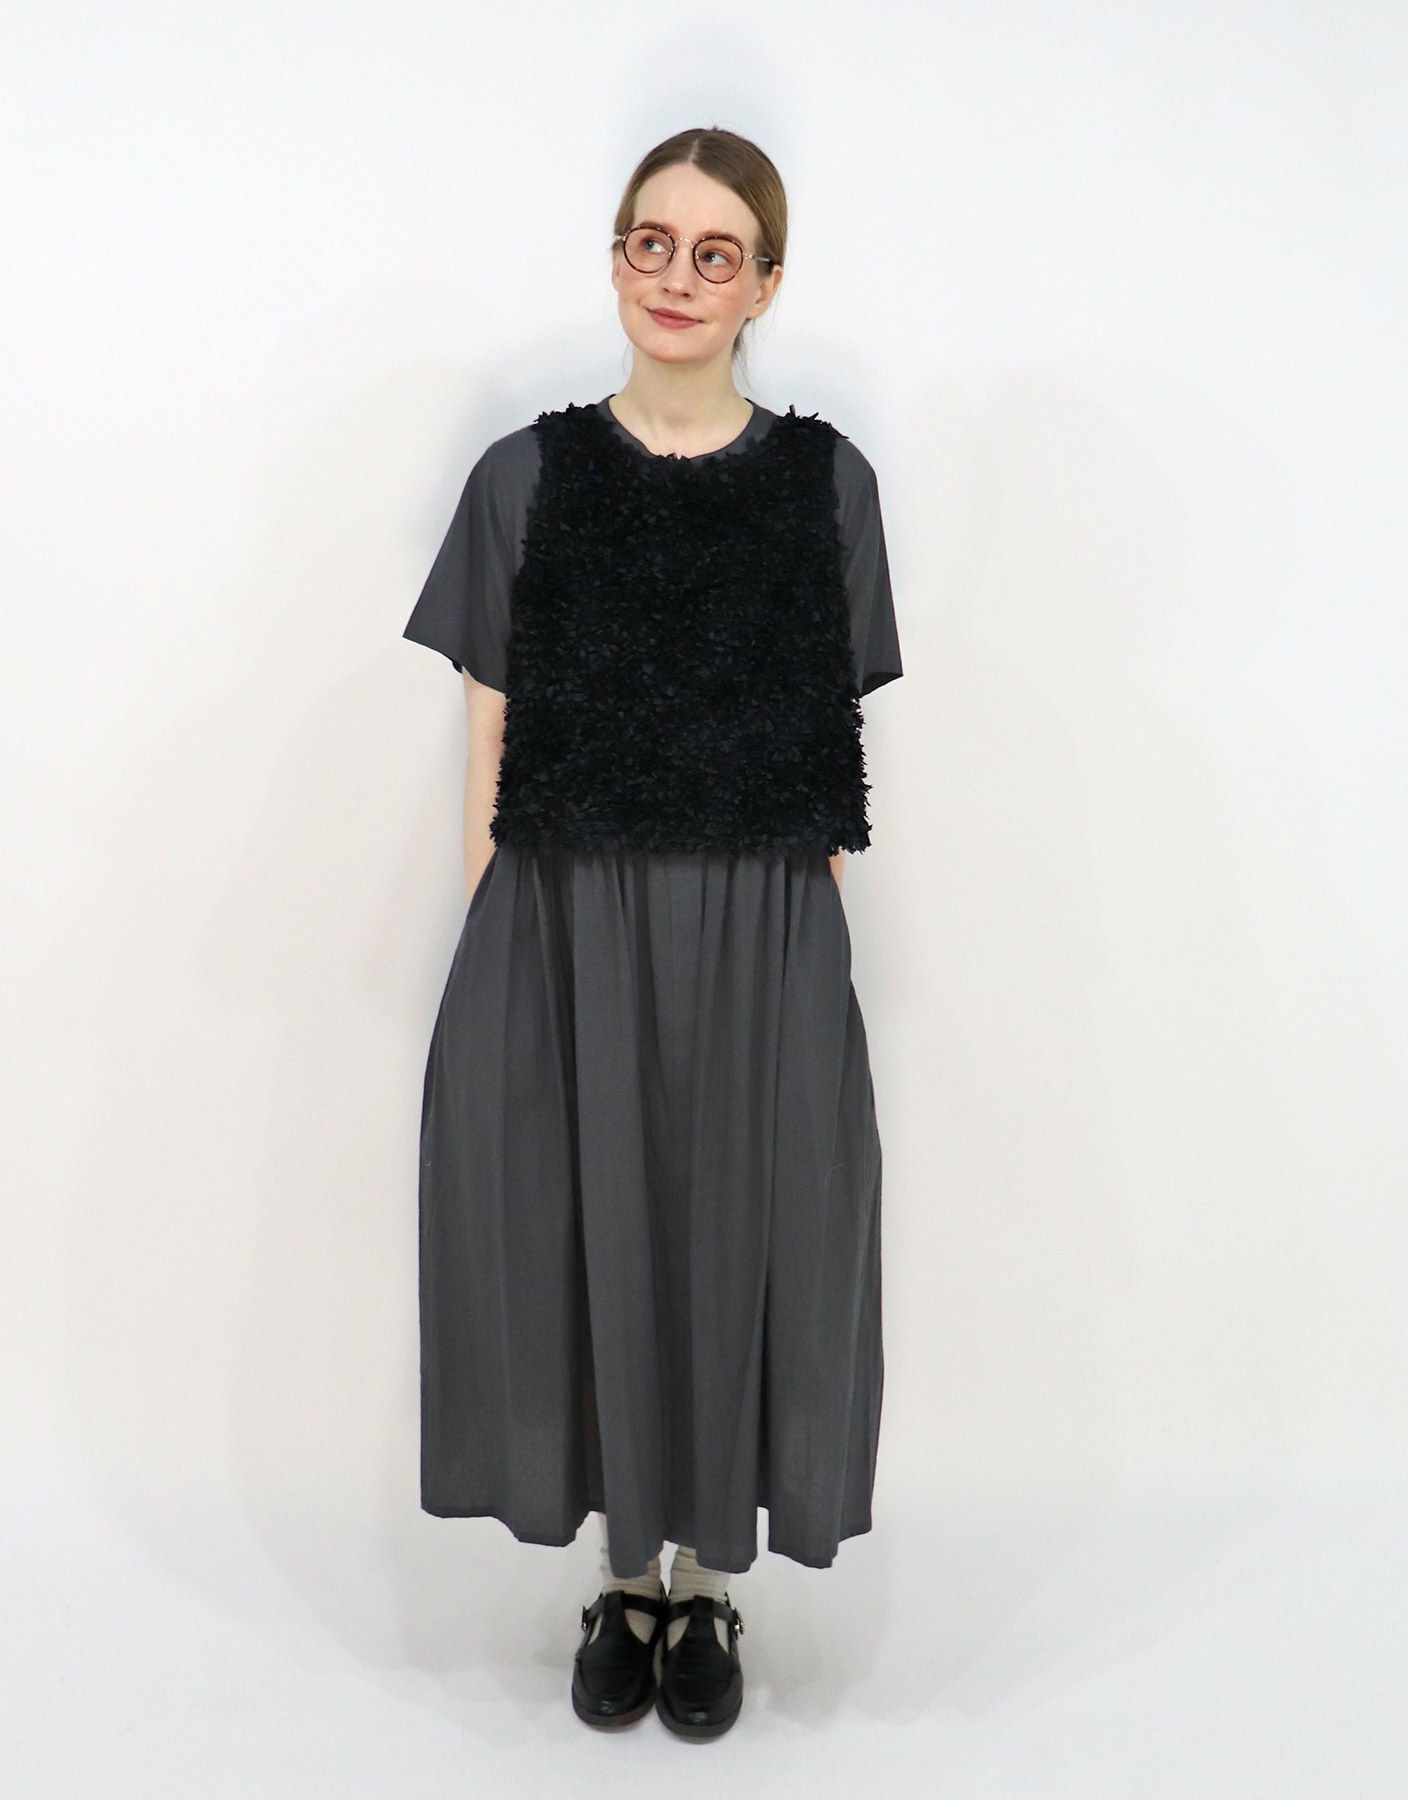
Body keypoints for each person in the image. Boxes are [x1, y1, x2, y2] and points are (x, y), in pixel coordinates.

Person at [401, 126, 902, 1739]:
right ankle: (627, 1581)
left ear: (766, 283)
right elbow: (488, 737)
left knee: (746, 1235)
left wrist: (820, 973)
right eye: (651, 242)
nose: (677, 278)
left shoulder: (829, 487)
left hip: (763, 923)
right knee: (584, 1229)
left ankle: (706, 1587)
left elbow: (826, 746)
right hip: (565, 917)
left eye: (714, 253)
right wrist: (493, 950)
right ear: (616, 257)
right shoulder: (526, 480)